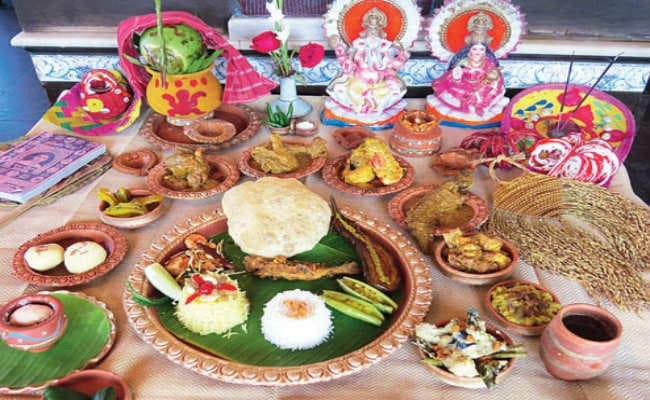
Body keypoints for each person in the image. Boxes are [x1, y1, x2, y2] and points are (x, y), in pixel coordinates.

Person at [326, 7, 408, 115]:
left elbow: (394, 66)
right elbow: (348, 65)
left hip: (380, 83)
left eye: (376, 33)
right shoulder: (358, 50)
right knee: (350, 91)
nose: (373, 36)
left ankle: (376, 108)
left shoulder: (384, 53)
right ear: (364, 35)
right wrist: (340, 51)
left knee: (391, 91)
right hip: (358, 81)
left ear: (381, 36)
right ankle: (360, 108)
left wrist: (402, 54)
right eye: (370, 33)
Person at [431, 42, 506, 117]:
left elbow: (493, 74)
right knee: (457, 90)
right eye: (474, 49)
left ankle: (481, 106)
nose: (478, 52)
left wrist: (492, 77)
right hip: (465, 83)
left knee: (490, 89)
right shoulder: (463, 61)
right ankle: (470, 106)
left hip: (483, 82)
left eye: (482, 49)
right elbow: (456, 74)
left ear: (485, 51)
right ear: (469, 50)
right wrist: (457, 78)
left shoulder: (489, 62)